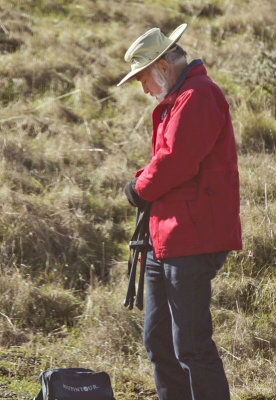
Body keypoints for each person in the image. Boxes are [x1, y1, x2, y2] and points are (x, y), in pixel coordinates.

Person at [118, 23, 242, 400]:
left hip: (190, 237)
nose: (143, 88)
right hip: (168, 238)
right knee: (159, 343)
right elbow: (173, 161)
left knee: (190, 345)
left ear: (162, 65)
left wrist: (139, 187)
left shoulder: (199, 95)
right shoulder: (183, 98)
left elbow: (175, 161)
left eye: (142, 77)